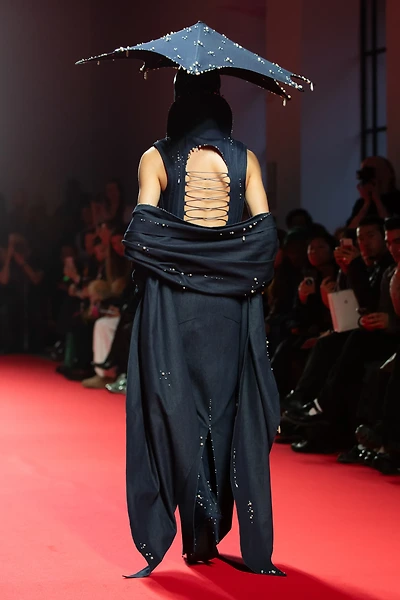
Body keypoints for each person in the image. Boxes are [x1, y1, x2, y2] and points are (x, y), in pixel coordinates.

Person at [122, 69, 283, 579]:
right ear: (220, 98)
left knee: (176, 413)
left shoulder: (155, 158)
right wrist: (225, 260)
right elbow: (264, 241)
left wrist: (182, 256)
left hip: (176, 304)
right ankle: (207, 532)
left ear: (177, 98)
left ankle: (195, 528)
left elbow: (142, 234)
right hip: (229, 308)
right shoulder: (245, 160)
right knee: (226, 416)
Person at [347, 156, 400, 229]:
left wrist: (377, 200)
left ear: (388, 174)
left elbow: (392, 229)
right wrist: (366, 203)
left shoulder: (397, 199)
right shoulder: (361, 203)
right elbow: (350, 231)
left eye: (371, 171)